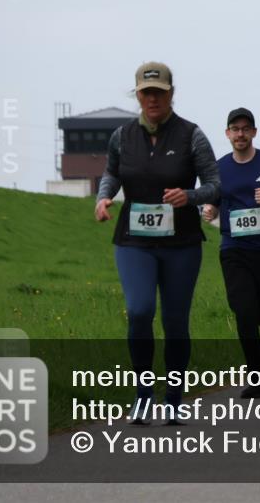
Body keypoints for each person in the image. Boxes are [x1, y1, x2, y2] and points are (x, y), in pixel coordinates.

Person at [95, 62, 221, 424]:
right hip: (133, 241)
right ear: (137, 94)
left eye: (160, 92)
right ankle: (143, 395)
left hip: (181, 243)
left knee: (175, 321)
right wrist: (104, 197)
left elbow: (215, 183)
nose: (153, 99)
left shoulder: (191, 135)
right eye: (146, 92)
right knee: (139, 311)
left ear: (170, 94)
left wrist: (191, 196)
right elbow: (112, 172)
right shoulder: (122, 136)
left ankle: (174, 398)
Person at [202, 108, 260, 398]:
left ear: (254, 132)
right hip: (234, 249)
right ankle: (256, 377)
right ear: (227, 133)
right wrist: (209, 209)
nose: (240, 134)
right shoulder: (218, 169)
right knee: (244, 311)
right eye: (235, 129)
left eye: (246, 129)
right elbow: (214, 202)